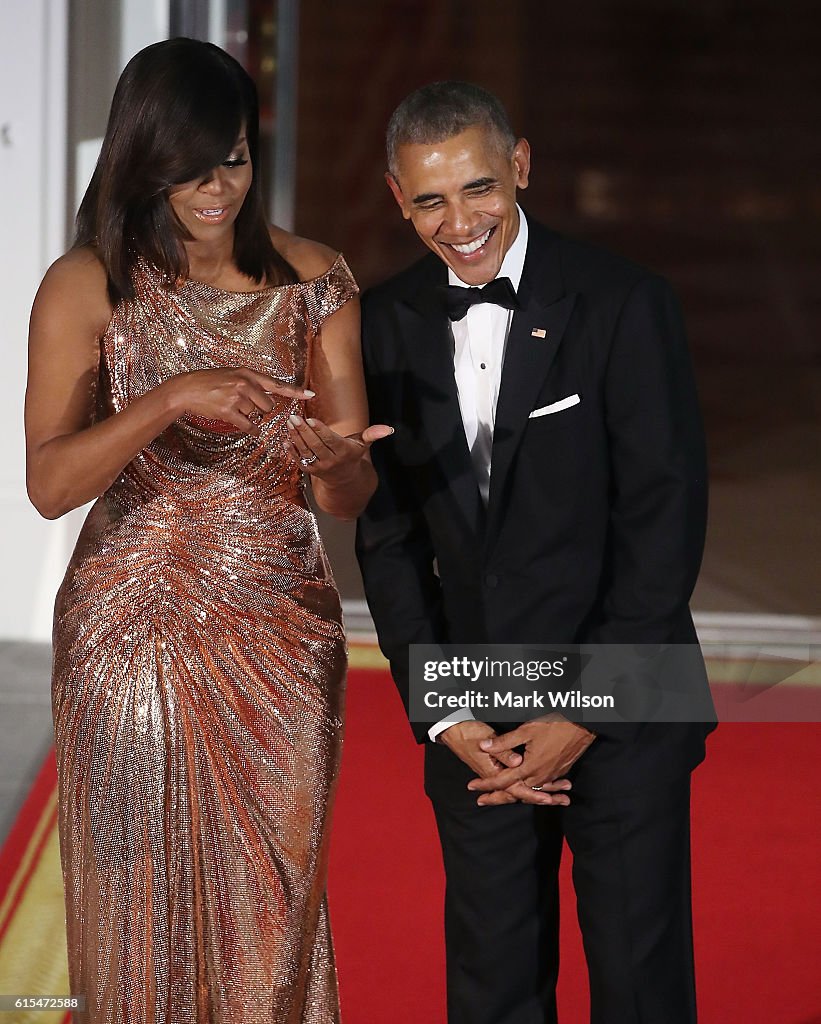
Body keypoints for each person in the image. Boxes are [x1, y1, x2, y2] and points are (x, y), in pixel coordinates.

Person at [25, 38, 390, 1023]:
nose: (215, 187)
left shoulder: (316, 279)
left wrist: (336, 461)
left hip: (279, 623)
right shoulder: (86, 285)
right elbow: (50, 484)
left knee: (273, 904)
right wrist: (171, 396)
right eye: (189, 167)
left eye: (232, 158)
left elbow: (345, 493)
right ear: (144, 159)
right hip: (128, 625)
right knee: (136, 901)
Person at [356, 81, 713, 1024]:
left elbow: (664, 523)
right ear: (397, 195)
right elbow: (388, 540)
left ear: (520, 166)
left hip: (627, 693)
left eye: (478, 187)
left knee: (639, 984)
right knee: (491, 983)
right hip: (476, 709)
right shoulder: (380, 323)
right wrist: (445, 714)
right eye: (430, 198)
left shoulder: (625, 302)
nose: (459, 220)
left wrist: (579, 707)